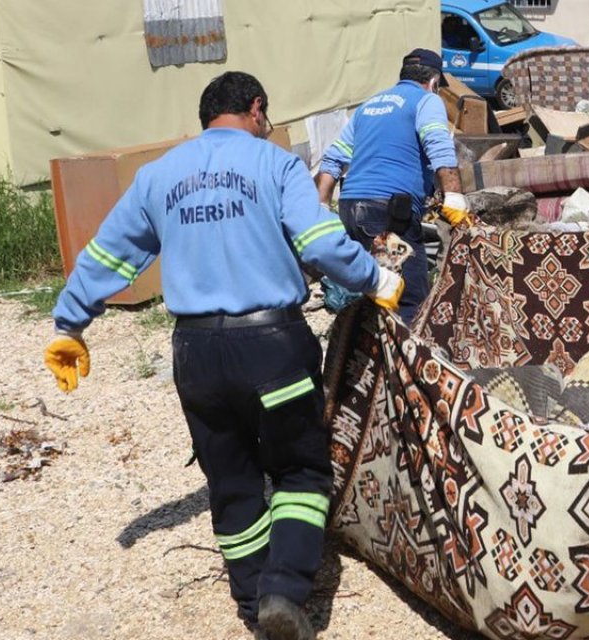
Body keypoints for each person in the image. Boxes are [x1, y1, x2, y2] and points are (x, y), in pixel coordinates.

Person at [42, 71, 404, 640]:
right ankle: (284, 591)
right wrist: (375, 277)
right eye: (267, 115)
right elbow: (317, 241)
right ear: (256, 109)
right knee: (301, 473)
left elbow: (109, 255)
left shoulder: (157, 176)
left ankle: (250, 605)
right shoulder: (275, 163)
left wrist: (70, 323)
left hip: (196, 357)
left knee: (232, 481)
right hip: (273, 349)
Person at [315, 48, 469, 323]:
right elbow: (439, 145)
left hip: (352, 209)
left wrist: (321, 204)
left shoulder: (369, 106)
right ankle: (405, 362)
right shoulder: (426, 101)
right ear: (434, 82)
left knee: (379, 288)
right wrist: (455, 195)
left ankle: (373, 355)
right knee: (410, 296)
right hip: (388, 213)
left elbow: (334, 157)